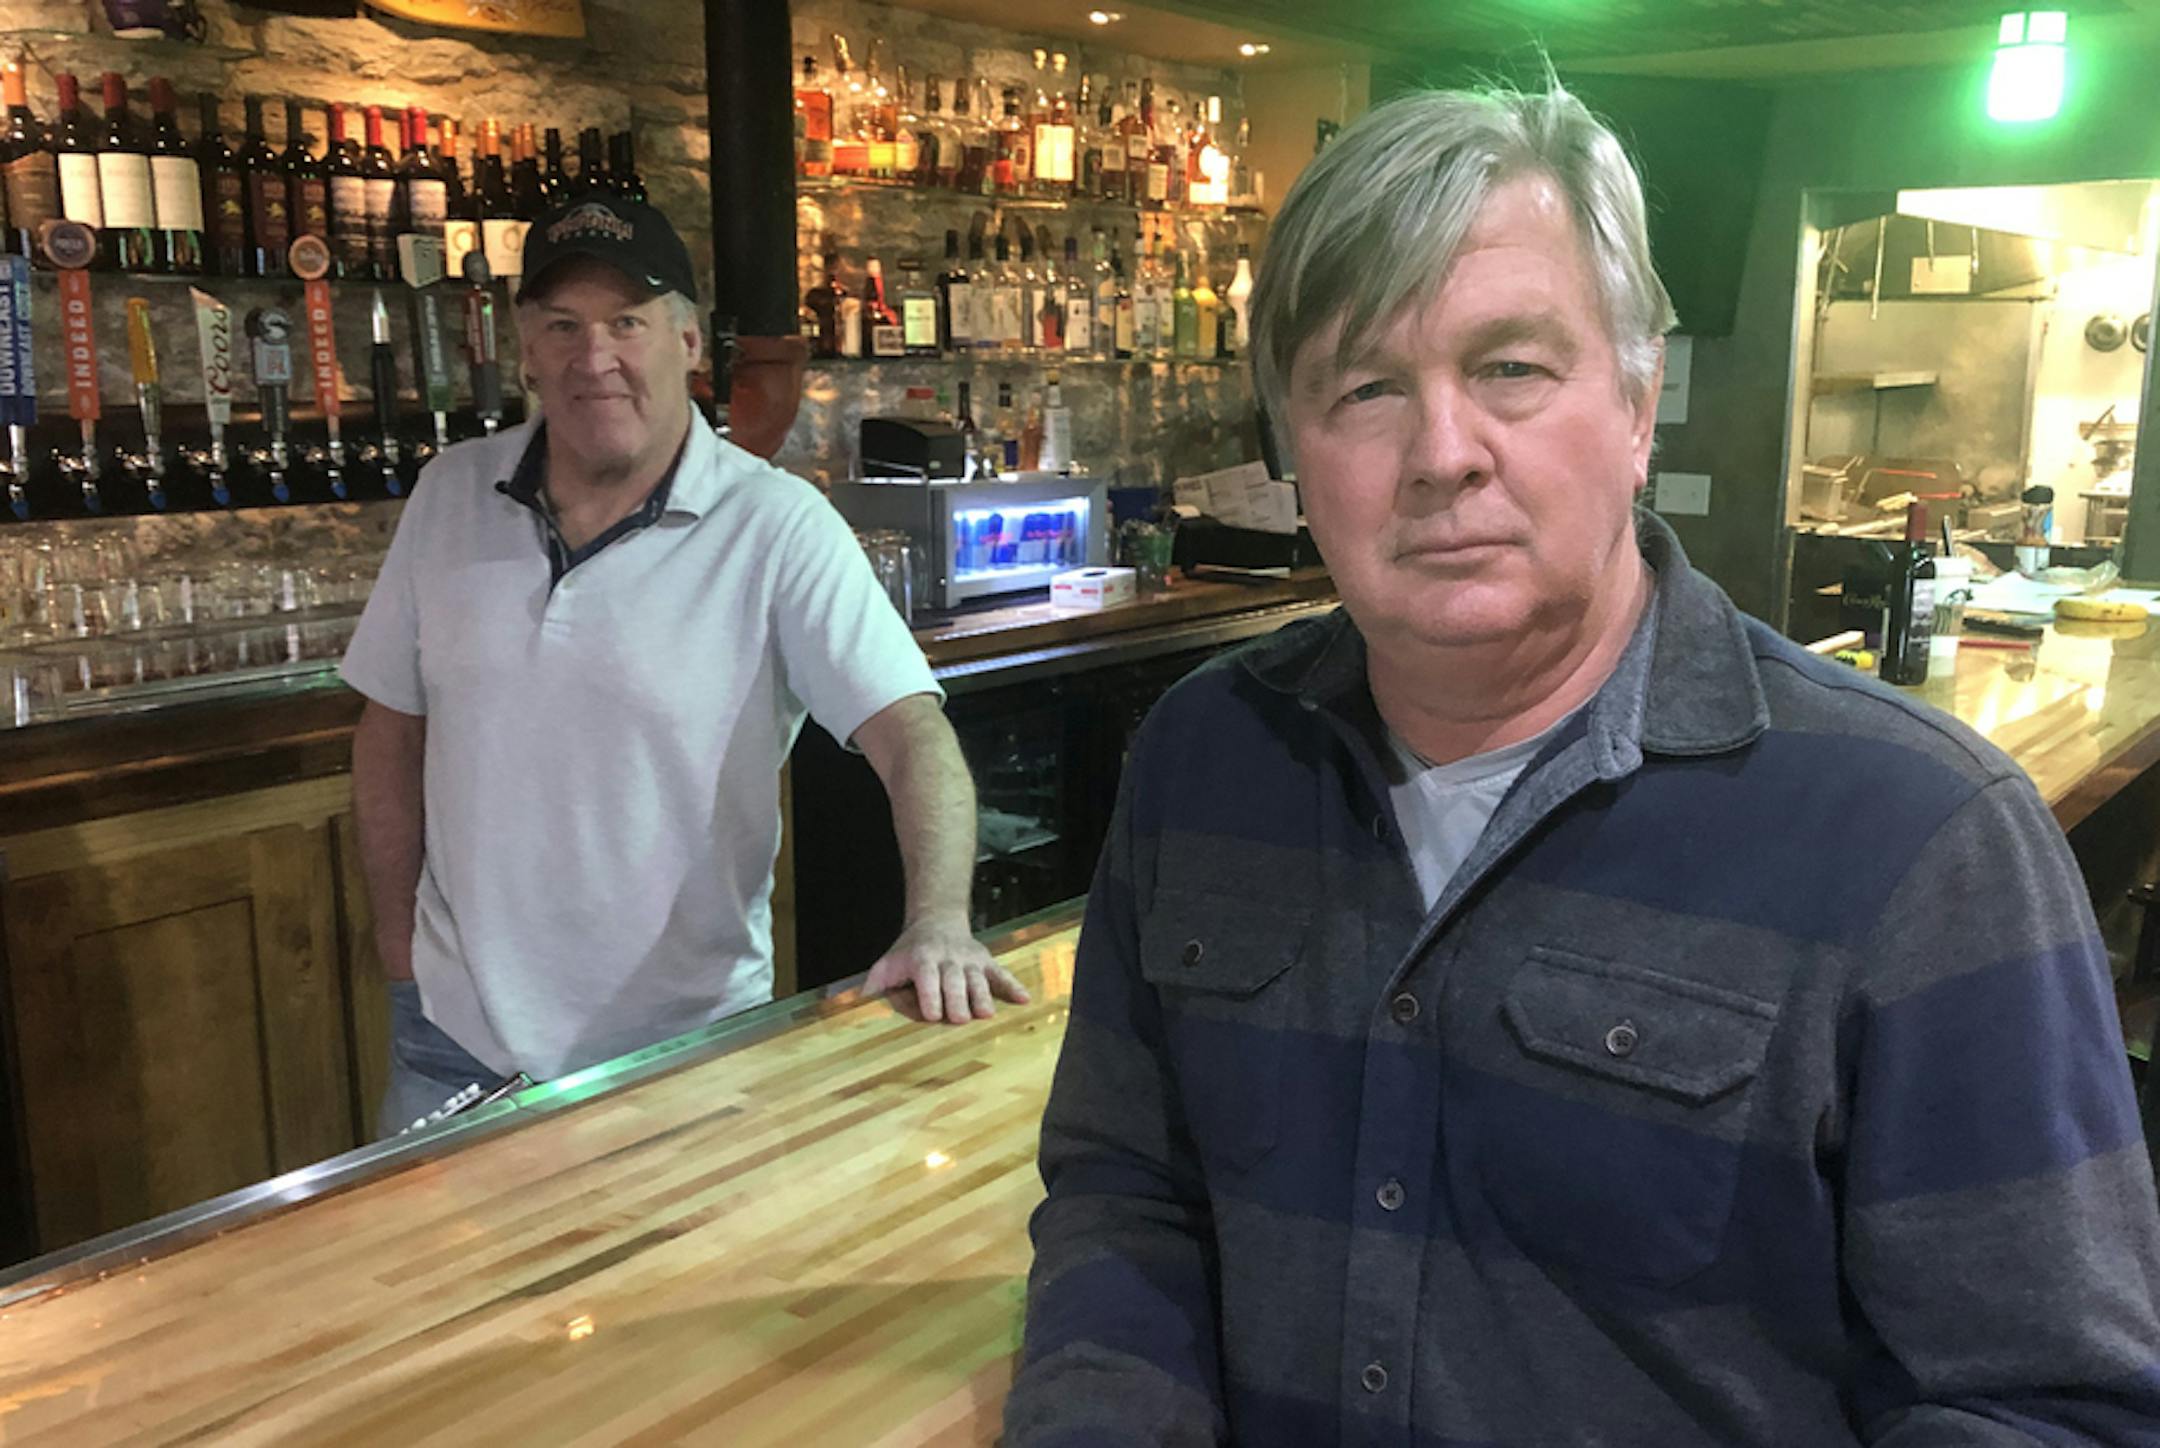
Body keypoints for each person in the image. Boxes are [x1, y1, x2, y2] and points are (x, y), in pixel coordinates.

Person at [1006, 81, 2160, 1446]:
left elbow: (2046, 1407)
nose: (1443, 455)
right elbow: (1125, 1195)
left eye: (1510, 369)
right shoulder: (1205, 758)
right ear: (1293, 452)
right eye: (1363, 387)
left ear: (1635, 399)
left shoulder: (1922, 838)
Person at [344, 194, 1026, 1138]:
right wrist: (398, 949)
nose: (596, 359)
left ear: (690, 342)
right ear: (527, 350)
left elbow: (912, 732)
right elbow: (391, 729)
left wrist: (940, 920)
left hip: (685, 1051)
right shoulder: (450, 491)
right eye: (563, 327)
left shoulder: (775, 522)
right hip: (453, 1038)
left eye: (628, 322)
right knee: (425, 1288)